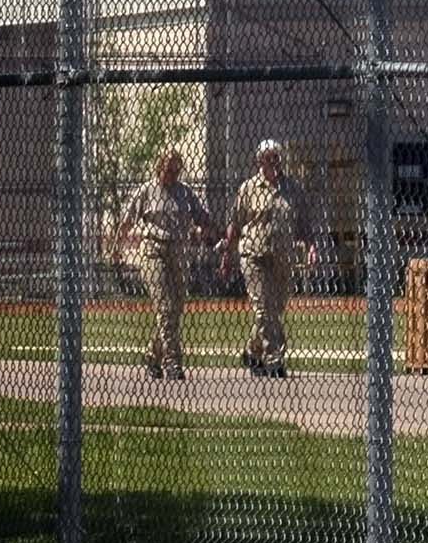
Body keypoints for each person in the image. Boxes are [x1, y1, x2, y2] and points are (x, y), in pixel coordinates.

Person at [218, 138, 318, 378]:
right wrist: (227, 255)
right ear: (259, 160)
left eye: (277, 156)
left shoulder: (292, 189)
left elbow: (304, 223)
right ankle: (274, 359)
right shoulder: (248, 188)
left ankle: (253, 352)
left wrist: (311, 247)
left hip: (282, 257)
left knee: (274, 309)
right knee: (264, 310)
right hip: (254, 255)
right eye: (269, 157)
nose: (274, 160)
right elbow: (235, 223)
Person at [119, 148, 214, 381]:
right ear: (159, 166)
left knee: (176, 307)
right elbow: (127, 221)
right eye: (168, 168)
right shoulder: (147, 190)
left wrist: (206, 229)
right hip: (153, 250)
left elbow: (202, 217)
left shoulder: (184, 192)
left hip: (179, 251)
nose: (172, 173)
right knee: (165, 306)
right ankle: (172, 362)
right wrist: (117, 250)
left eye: (176, 169)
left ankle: (153, 353)